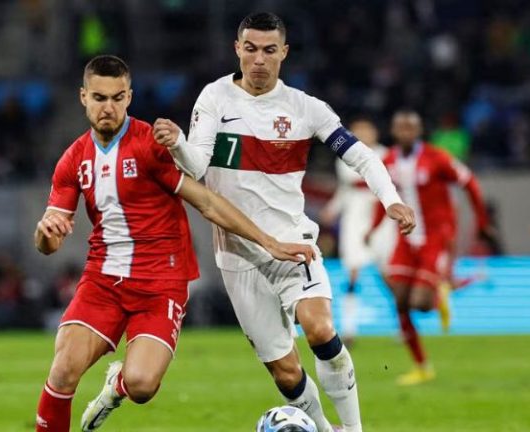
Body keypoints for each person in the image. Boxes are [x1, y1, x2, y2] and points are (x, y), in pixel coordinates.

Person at [153, 13, 415, 432]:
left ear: (284, 53)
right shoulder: (215, 97)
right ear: (237, 49)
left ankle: (354, 429)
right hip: (238, 255)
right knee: (286, 372)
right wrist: (178, 144)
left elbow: (362, 156)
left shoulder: (305, 108)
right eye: (251, 49)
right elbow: (197, 166)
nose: (259, 59)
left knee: (319, 328)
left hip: (294, 244)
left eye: (269, 50)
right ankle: (325, 430)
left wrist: (392, 201)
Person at [33, 55, 315, 432]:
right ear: (83, 97)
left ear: (129, 97)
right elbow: (48, 243)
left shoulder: (150, 144)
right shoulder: (73, 160)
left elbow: (207, 201)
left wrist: (270, 242)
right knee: (63, 369)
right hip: (102, 281)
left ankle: (118, 385)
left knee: (141, 385)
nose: (108, 107)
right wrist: (44, 232)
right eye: (99, 98)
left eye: (117, 98)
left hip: (160, 284)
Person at [371, 110, 491, 386]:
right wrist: (373, 227)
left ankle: (438, 295)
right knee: (400, 300)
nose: (405, 132)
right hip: (405, 239)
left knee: (420, 304)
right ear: (393, 130)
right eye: (400, 127)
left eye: (410, 127)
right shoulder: (387, 161)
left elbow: (470, 183)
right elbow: (382, 198)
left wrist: (481, 221)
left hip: (436, 238)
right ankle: (422, 367)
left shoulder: (437, 158)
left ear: (419, 131)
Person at [319, 117, 392, 348]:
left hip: (381, 220)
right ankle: (349, 329)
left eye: (366, 130)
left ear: (375, 133)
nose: (363, 134)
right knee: (352, 272)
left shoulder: (386, 155)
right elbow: (345, 191)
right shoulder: (344, 158)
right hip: (354, 220)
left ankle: (404, 324)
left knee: (388, 274)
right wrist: (332, 209)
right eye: (358, 131)